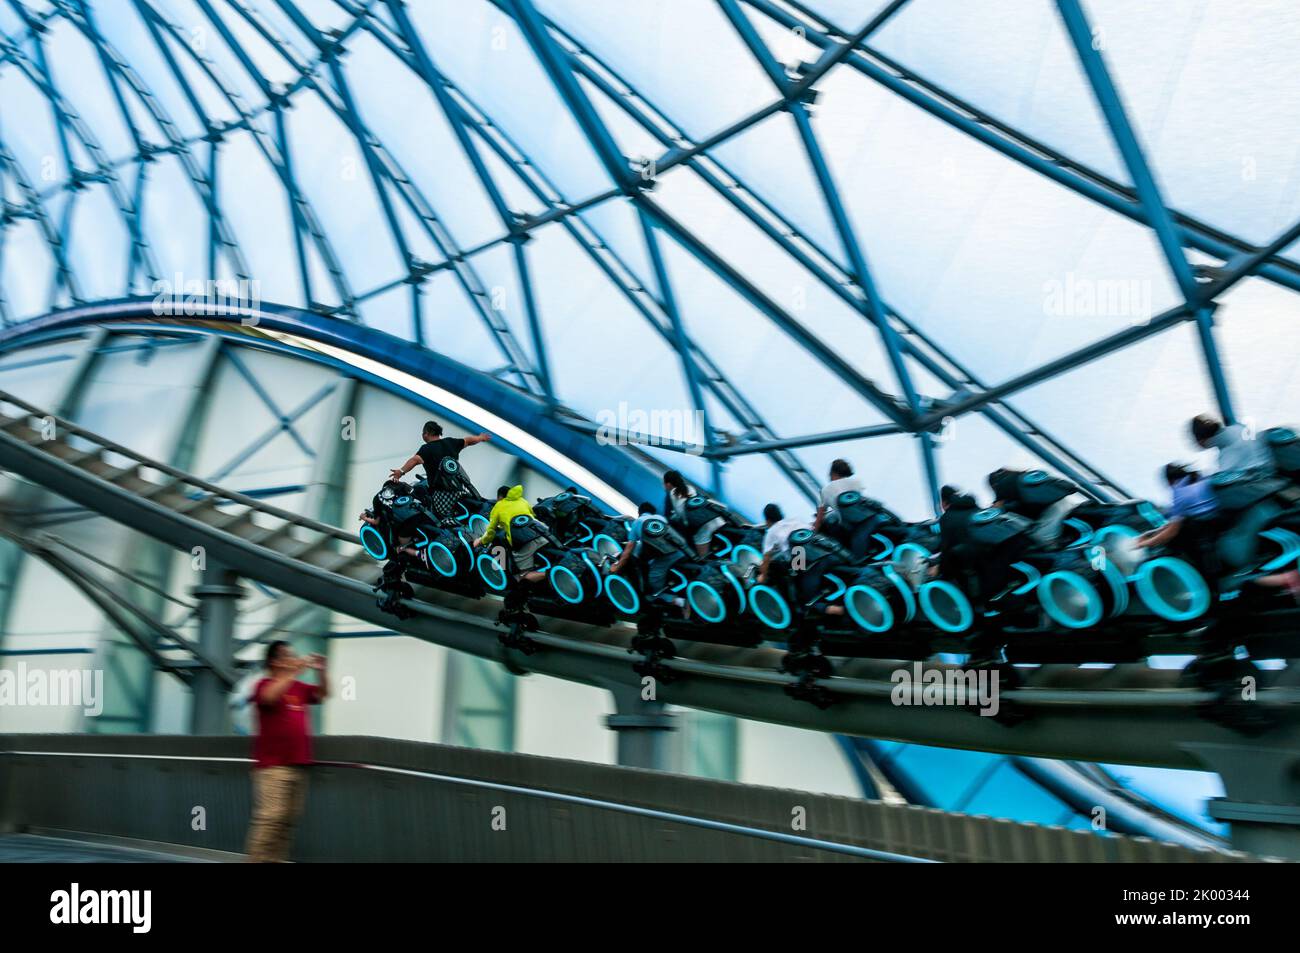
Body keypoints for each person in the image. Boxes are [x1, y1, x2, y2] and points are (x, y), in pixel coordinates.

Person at [245, 641, 328, 863]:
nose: (293, 658)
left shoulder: (298, 688)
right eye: (287, 655)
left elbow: (323, 694)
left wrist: (322, 671)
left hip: (298, 765)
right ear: (274, 661)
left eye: (293, 655)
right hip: (273, 767)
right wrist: (294, 672)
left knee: (287, 822)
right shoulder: (264, 684)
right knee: (270, 819)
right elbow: (269, 698)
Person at [662, 469, 725, 557]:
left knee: (703, 559)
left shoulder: (671, 495)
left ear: (668, 484)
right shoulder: (690, 488)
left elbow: (668, 517)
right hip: (717, 519)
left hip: (703, 526)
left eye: (664, 483)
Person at [1190, 414, 1273, 474]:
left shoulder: (1226, 453)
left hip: (1260, 479)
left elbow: (1224, 478)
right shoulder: (1238, 428)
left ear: (1202, 439)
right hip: (1269, 468)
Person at [757, 503, 809, 584]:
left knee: (774, 566)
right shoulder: (795, 519)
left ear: (767, 520)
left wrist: (763, 576)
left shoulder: (771, 532)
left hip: (800, 562)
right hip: (813, 550)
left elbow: (766, 559)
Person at [608, 501, 658, 577]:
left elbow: (629, 550)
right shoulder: (660, 520)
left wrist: (616, 567)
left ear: (639, 512)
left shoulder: (639, 521)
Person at [813, 459, 863, 532]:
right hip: (864, 515)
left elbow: (820, 518)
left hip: (849, 526)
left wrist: (814, 531)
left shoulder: (824, 490)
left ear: (832, 473)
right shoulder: (857, 482)